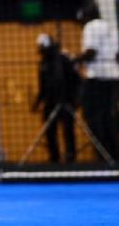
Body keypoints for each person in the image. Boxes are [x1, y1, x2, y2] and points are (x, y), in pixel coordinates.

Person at [74, 4, 119, 161]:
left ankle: (101, 156)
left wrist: (74, 60)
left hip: (97, 79)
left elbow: (91, 52)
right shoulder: (112, 28)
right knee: (109, 117)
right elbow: (117, 55)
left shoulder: (91, 26)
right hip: (114, 78)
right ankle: (114, 155)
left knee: (93, 118)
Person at [32, 34, 78, 164]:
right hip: (50, 102)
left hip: (66, 100)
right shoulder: (42, 64)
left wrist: (75, 99)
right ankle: (54, 156)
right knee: (49, 130)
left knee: (68, 130)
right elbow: (42, 86)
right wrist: (37, 102)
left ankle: (70, 156)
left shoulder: (63, 59)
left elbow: (75, 80)